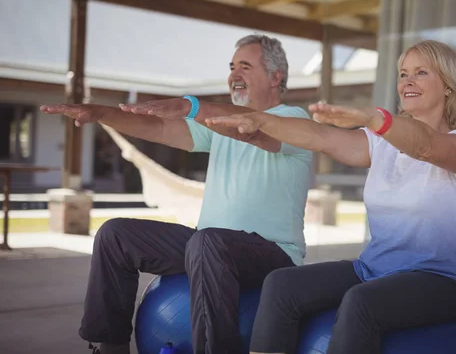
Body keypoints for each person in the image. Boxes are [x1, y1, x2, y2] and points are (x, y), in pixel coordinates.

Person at [206, 40, 456, 354]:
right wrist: (261, 121)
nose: (407, 81)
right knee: (281, 284)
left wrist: (374, 119)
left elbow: (425, 146)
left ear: (448, 86)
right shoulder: (381, 144)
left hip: (443, 281)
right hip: (374, 269)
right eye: (403, 73)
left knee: (361, 302)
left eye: (420, 73)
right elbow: (319, 136)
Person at [40, 34, 313, 354]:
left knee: (208, 241)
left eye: (245, 66)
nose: (234, 74)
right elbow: (160, 129)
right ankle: (110, 347)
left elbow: (252, 130)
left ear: (276, 77)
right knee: (116, 235)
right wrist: (102, 113)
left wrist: (190, 106)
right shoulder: (220, 125)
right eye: (231, 66)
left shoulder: (294, 120)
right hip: (208, 247)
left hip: (271, 254)